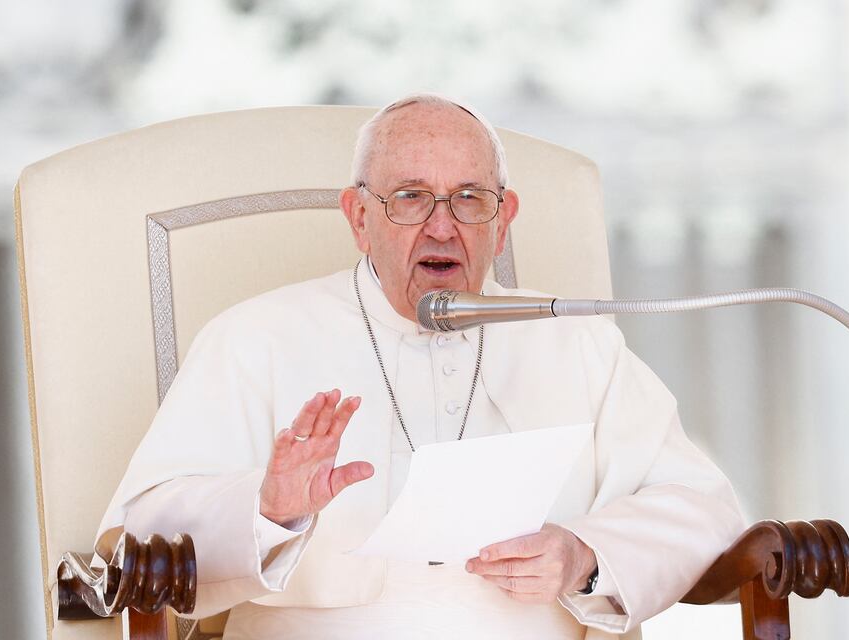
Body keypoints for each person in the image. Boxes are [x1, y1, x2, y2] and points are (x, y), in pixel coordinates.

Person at [94, 94, 745, 640]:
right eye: (410, 197)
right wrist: (268, 509)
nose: (441, 226)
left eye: (469, 199)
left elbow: (704, 509)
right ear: (359, 217)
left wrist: (585, 555)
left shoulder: (575, 342)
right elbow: (135, 539)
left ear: (503, 220)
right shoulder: (253, 338)